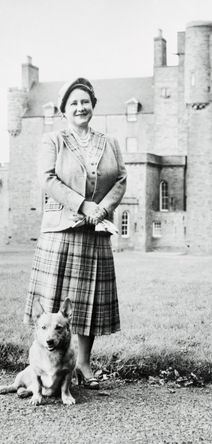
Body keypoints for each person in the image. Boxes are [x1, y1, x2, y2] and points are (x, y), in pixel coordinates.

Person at [24, 77, 127, 389]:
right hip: (60, 231)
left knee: (90, 302)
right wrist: (84, 205)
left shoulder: (109, 143)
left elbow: (121, 179)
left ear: (92, 106)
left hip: (95, 232)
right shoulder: (52, 140)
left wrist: (102, 209)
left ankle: (83, 364)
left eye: (85, 102)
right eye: (74, 103)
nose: (80, 107)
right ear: (63, 110)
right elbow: (47, 179)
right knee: (53, 301)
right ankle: (45, 368)